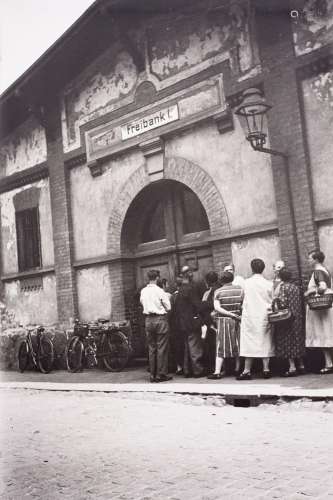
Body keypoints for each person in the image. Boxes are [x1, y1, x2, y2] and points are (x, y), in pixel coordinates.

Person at [237, 258, 274, 380]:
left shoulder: (246, 283)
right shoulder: (269, 283)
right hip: (264, 315)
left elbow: (242, 297)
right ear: (263, 269)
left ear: (251, 269)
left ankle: (247, 371)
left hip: (250, 316)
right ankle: (266, 369)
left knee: (249, 342)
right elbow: (272, 299)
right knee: (265, 340)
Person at [208, 271, 244, 379]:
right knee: (237, 344)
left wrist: (229, 314)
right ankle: (238, 369)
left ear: (221, 280)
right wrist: (236, 314)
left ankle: (217, 372)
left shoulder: (218, 291)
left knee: (221, 346)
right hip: (237, 320)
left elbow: (217, 308)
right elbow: (243, 305)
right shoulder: (240, 289)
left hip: (224, 321)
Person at [140, 269, 172, 383]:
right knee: (161, 348)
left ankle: (152, 375)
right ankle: (161, 374)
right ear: (157, 278)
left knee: (152, 348)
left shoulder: (143, 291)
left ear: (148, 278)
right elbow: (168, 307)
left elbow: (142, 303)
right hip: (160, 319)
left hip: (148, 320)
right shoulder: (160, 291)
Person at [272, 268, 305, 376]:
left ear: (281, 277)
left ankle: (292, 367)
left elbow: (282, 302)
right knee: (297, 340)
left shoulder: (283, 287)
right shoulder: (296, 288)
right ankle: (301, 365)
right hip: (297, 317)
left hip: (287, 318)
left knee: (288, 341)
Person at [304, 250, 333, 374]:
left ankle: (329, 363)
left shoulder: (318, 271)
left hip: (320, 308)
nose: (308, 260)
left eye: (310, 258)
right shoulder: (325, 270)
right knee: (327, 334)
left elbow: (322, 287)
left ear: (316, 259)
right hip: (326, 307)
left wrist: (310, 292)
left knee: (323, 334)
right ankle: (329, 363)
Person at [175, 266, 205, 377]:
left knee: (187, 346)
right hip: (191, 322)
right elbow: (197, 305)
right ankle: (198, 370)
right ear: (189, 274)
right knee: (194, 346)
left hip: (182, 322)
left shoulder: (180, 290)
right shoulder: (190, 288)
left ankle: (187, 370)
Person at [200, 271, 220, 374]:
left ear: (207, 281)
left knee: (211, 345)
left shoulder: (207, 293)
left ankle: (213, 368)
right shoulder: (219, 290)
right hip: (217, 320)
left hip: (210, 322)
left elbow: (202, 307)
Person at [169, 276, 184, 375]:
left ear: (176, 285)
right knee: (186, 345)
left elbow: (170, 311)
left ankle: (179, 367)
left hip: (175, 325)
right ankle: (187, 366)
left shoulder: (173, 297)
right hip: (186, 323)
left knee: (177, 346)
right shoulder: (187, 293)